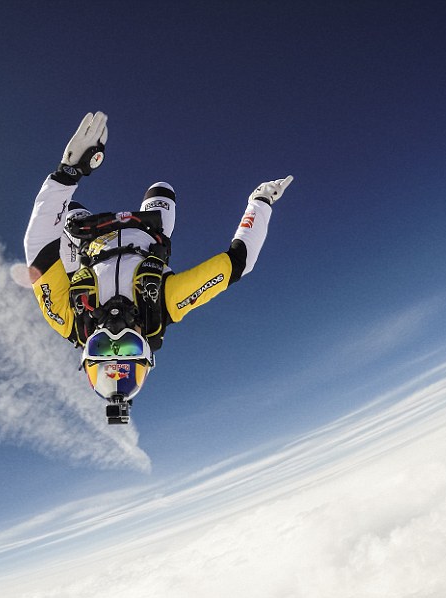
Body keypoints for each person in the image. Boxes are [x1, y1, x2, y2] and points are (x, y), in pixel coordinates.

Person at [23, 111, 293, 424]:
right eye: (127, 344)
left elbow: (37, 250)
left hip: (91, 239)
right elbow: (237, 264)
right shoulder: (165, 304)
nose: (115, 324)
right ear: (146, 347)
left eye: (101, 344)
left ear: (87, 347)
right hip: (147, 232)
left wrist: (68, 172)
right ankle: (94, 219)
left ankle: (73, 224)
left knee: (68, 216)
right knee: (162, 190)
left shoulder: (68, 318)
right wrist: (260, 203)